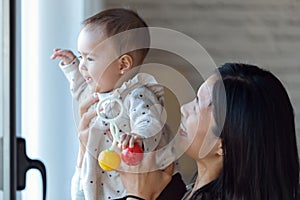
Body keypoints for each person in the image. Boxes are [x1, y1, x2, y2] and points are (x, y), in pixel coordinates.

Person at [113, 63, 300, 200]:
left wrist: (137, 196)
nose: (184, 109)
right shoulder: (181, 190)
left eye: (197, 106)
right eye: (194, 98)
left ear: (224, 145)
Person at [51, 8, 181, 200]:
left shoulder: (136, 95)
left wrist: (137, 137)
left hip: (141, 186)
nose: (82, 65)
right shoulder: (99, 92)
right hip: (110, 186)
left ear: (123, 65)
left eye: (90, 58)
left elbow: (151, 123)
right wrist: (70, 65)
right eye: (80, 57)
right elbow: (80, 90)